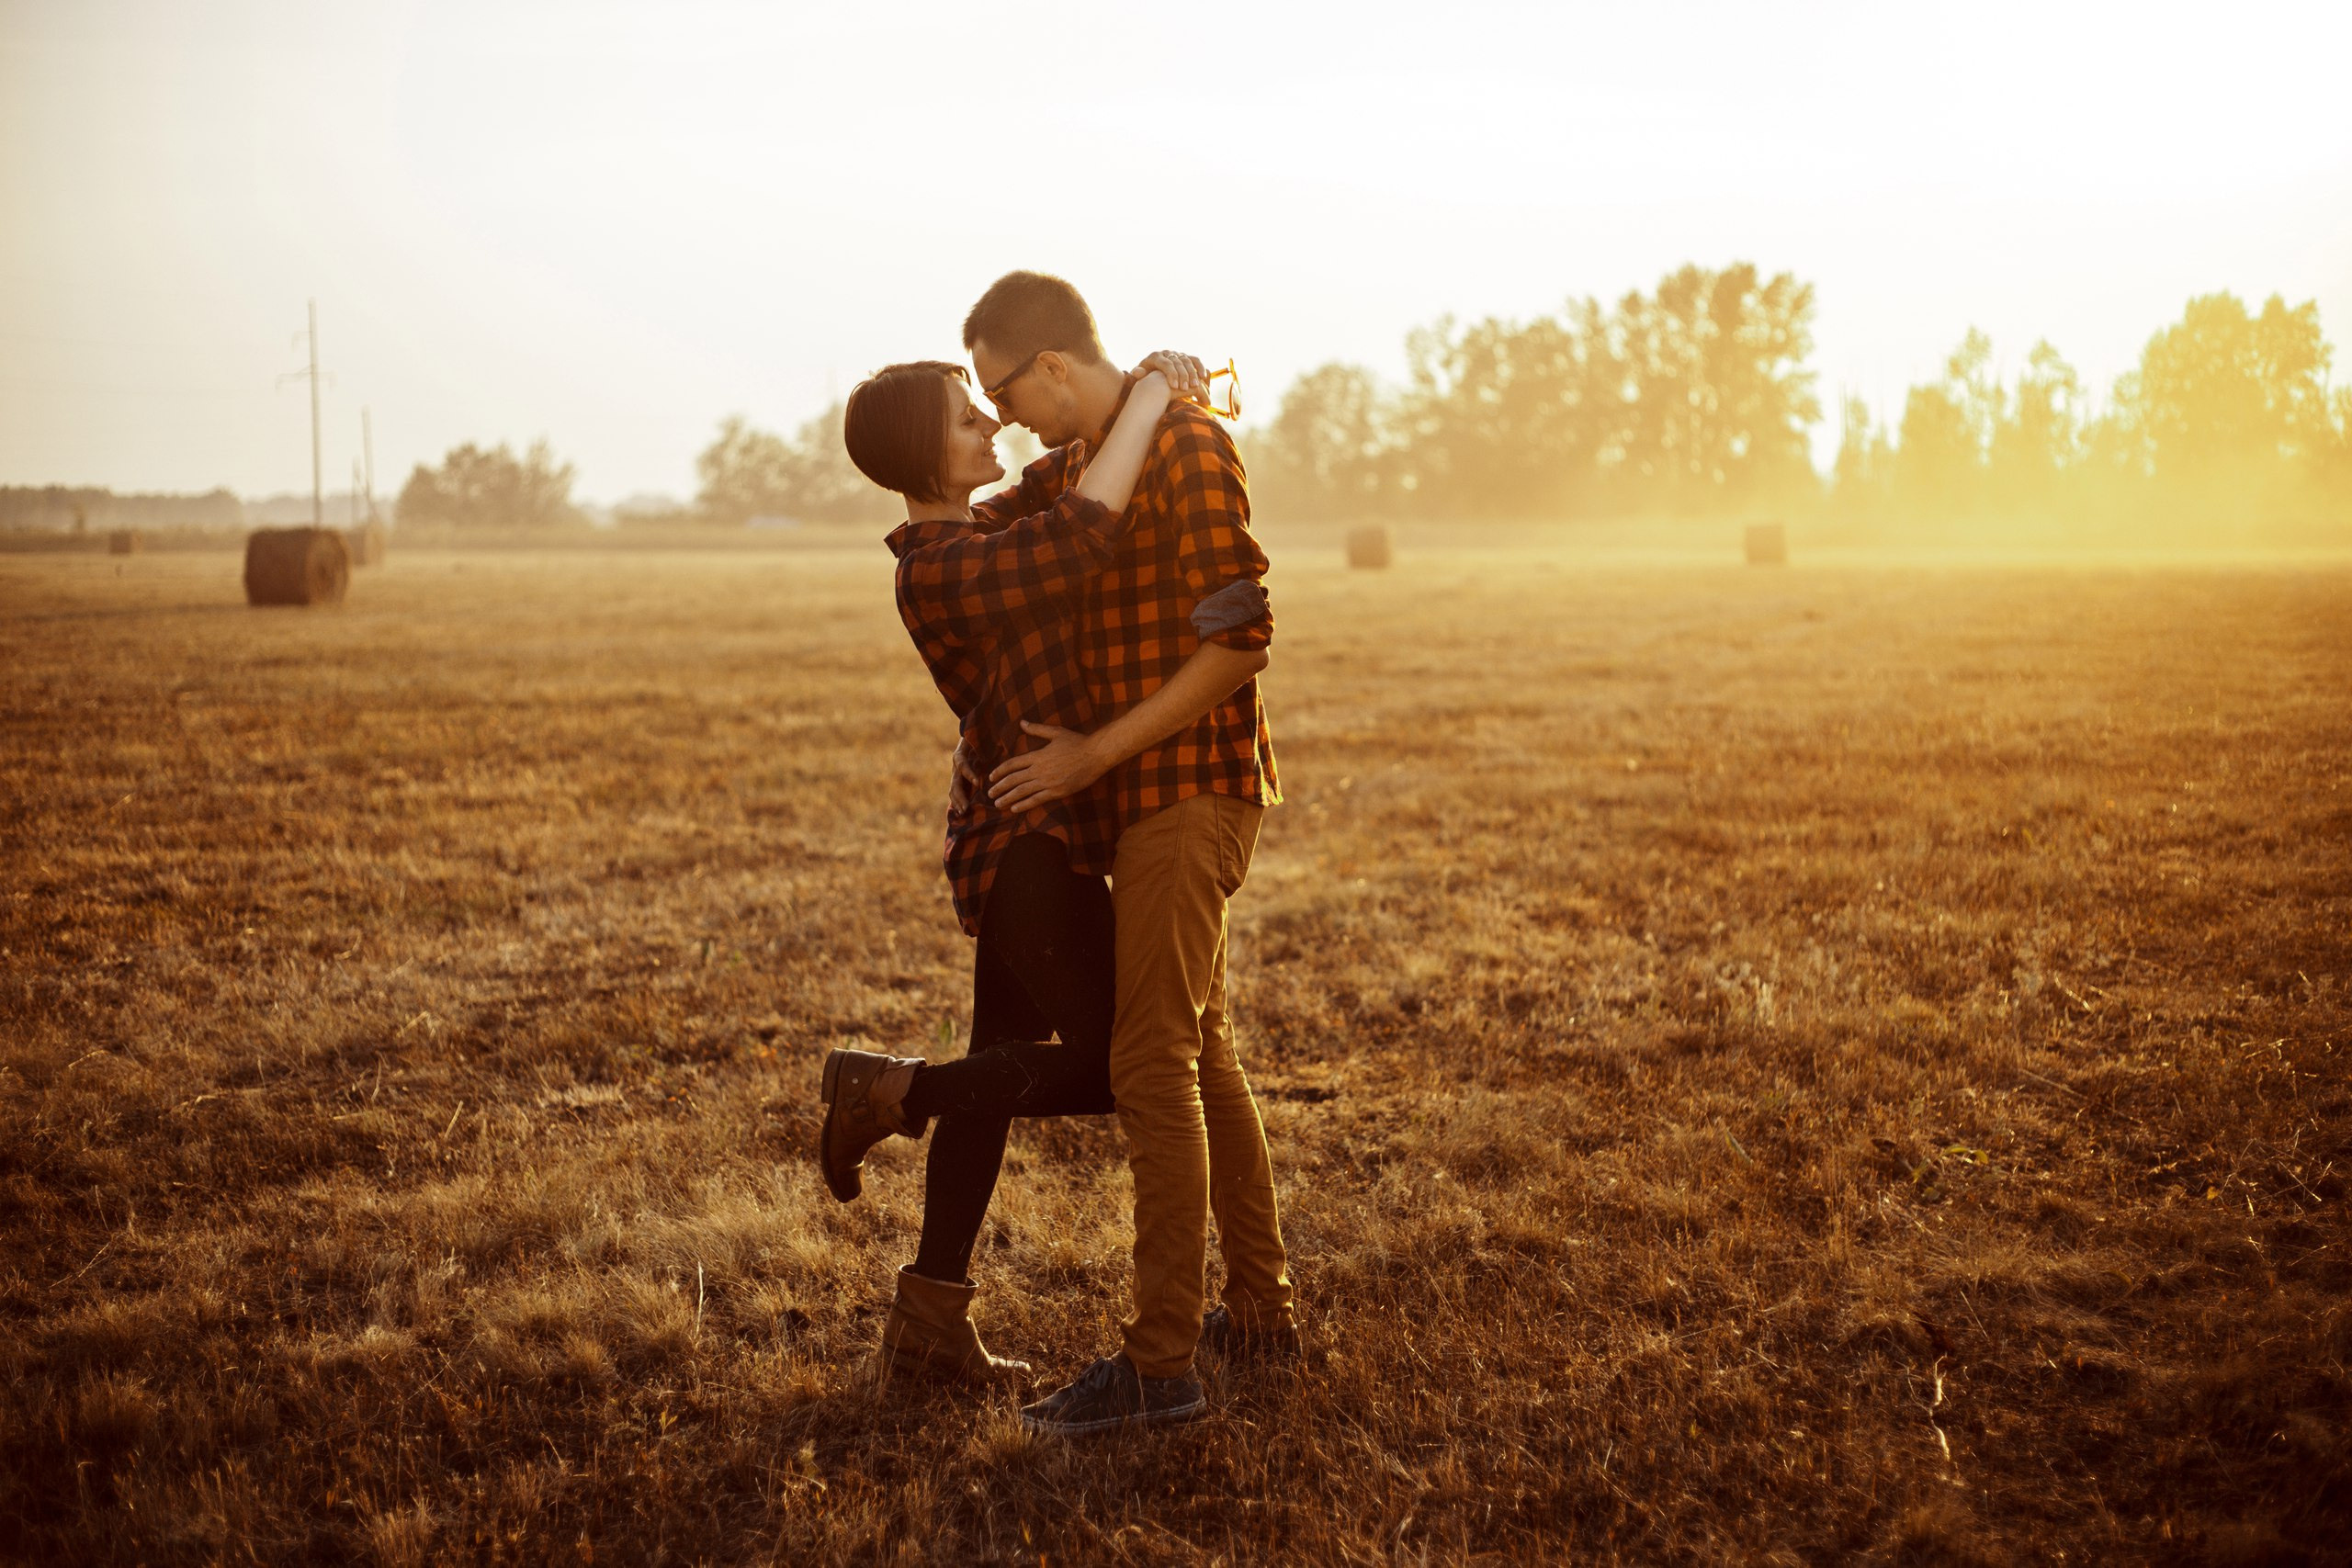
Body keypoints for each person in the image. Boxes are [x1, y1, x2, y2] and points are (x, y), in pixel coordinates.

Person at [821, 350, 1199, 1389]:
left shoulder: (980, 530)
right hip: (1023, 849)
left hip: (1032, 832)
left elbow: (1070, 467)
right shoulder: (936, 566)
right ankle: (892, 1091)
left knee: (1007, 1057)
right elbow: (1081, 530)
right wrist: (1160, 398)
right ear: (920, 455)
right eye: (963, 421)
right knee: (1128, 1064)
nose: (991, 424)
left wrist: (1147, 383)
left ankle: (929, 1317)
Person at [962, 272, 1298, 1437]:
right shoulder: (1087, 459)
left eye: (1003, 394)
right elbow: (998, 530)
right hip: (1148, 799)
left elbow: (1240, 643)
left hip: (1184, 791)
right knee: (1201, 1050)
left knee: (1149, 1061)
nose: (1004, 424)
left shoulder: (1190, 450)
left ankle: (1159, 1367)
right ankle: (1258, 1309)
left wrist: (1089, 756)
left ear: (1052, 365)